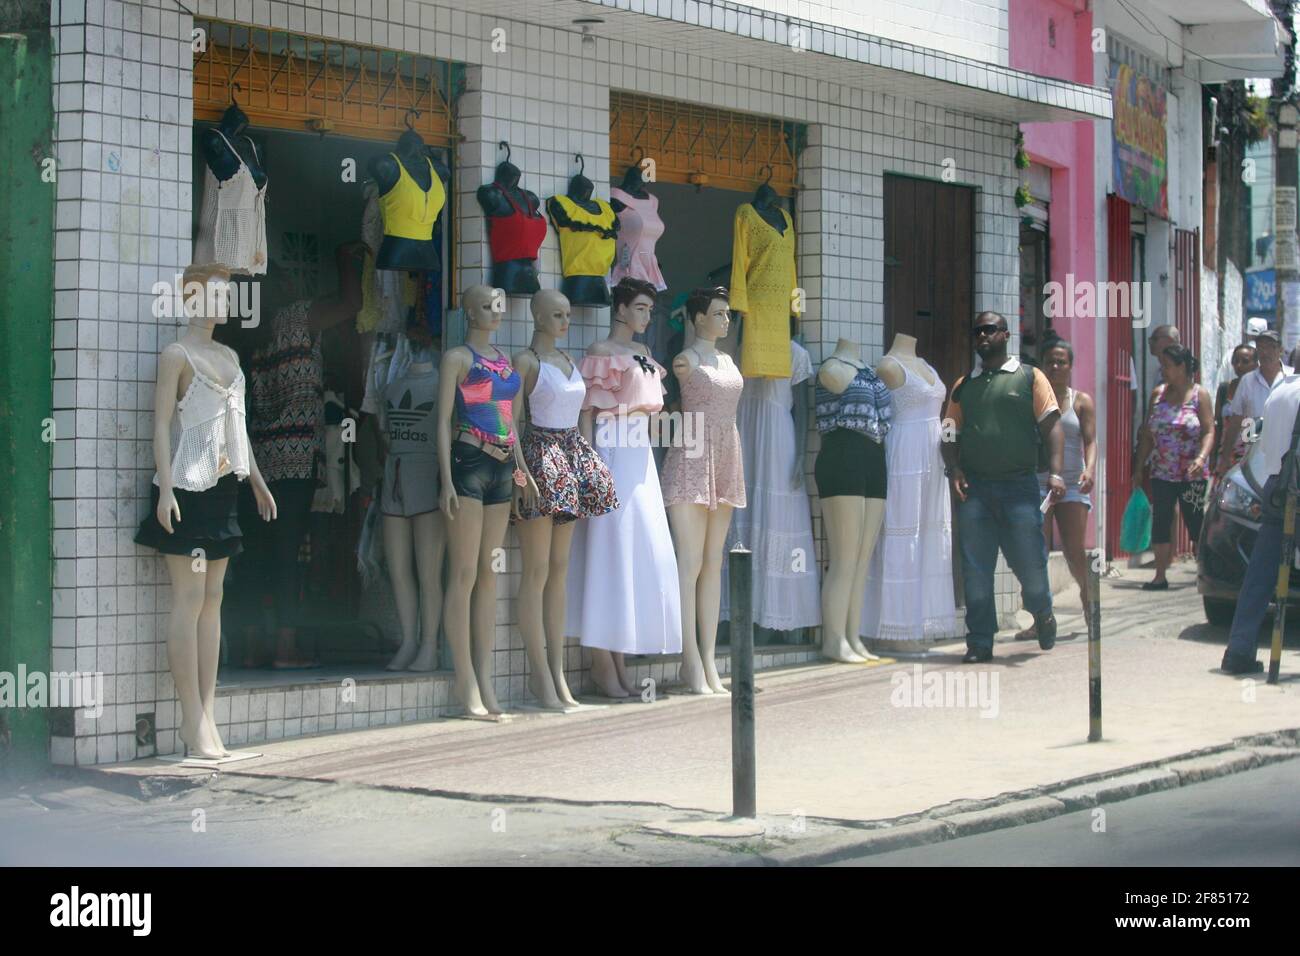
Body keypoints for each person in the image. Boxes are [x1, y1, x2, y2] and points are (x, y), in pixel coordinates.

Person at [243, 244, 365, 667]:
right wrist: (347, 256)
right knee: (289, 551)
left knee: (260, 550)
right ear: (281, 286)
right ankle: (285, 646)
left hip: (259, 456)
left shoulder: (251, 332)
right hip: (294, 460)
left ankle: (255, 641)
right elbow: (352, 303)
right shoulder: (297, 316)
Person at [941, 311, 1064, 663]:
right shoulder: (965, 385)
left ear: (1006, 335)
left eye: (990, 330)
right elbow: (949, 431)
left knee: (1030, 566)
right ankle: (980, 642)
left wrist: (1056, 474)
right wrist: (954, 469)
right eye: (977, 330)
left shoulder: (1029, 376)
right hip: (976, 491)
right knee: (976, 570)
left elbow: (1052, 426)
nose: (982, 336)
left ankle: (1042, 611)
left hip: (1019, 489)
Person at [1015, 340, 1096, 640]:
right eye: (1050, 362)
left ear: (1070, 366)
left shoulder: (1081, 402)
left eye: (1062, 362)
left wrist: (1090, 469)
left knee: (1075, 553)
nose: (1056, 367)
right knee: (1037, 553)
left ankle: (1090, 605)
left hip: (1073, 486)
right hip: (1038, 486)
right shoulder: (1032, 399)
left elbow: (1091, 441)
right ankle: (1040, 619)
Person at [1221, 374, 1300, 674]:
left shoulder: (1279, 392)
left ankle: (1239, 651)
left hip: (1276, 489)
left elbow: (1263, 447)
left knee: (1261, 573)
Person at [1134, 346, 1214, 589]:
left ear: (1182, 367)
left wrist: (1200, 458)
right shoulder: (1158, 395)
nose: (1163, 370)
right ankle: (1160, 575)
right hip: (1162, 471)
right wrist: (1139, 467)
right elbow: (1148, 434)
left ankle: (1204, 572)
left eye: (1167, 365)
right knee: (1161, 519)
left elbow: (1209, 430)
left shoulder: (1200, 396)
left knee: (1194, 520)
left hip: (1192, 473)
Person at [1217, 330, 1293, 477]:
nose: (1265, 352)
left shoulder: (1292, 377)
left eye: (1271, 346)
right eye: (1261, 347)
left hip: (1287, 455)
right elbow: (1236, 421)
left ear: (1280, 350)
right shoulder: (1247, 381)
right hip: (1255, 456)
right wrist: (1225, 457)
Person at [1212, 344, 1257, 473]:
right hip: (1225, 457)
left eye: (1245, 362)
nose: (1239, 365)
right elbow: (1219, 426)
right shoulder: (1225, 389)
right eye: (1236, 361)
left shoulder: (1260, 390)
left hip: (1250, 458)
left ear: (1255, 364)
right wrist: (1213, 457)